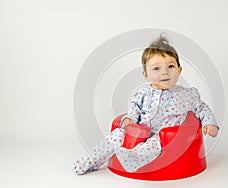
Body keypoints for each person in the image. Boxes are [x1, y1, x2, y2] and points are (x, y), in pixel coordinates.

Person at [72, 34, 218, 175]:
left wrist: (209, 124)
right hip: (140, 131)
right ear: (145, 75)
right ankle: (92, 160)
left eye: (171, 66)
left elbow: (202, 109)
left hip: (166, 137)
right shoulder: (142, 94)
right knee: (116, 135)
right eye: (156, 68)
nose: (165, 73)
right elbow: (135, 109)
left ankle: (133, 158)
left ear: (179, 70)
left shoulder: (187, 94)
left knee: (153, 144)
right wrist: (130, 119)